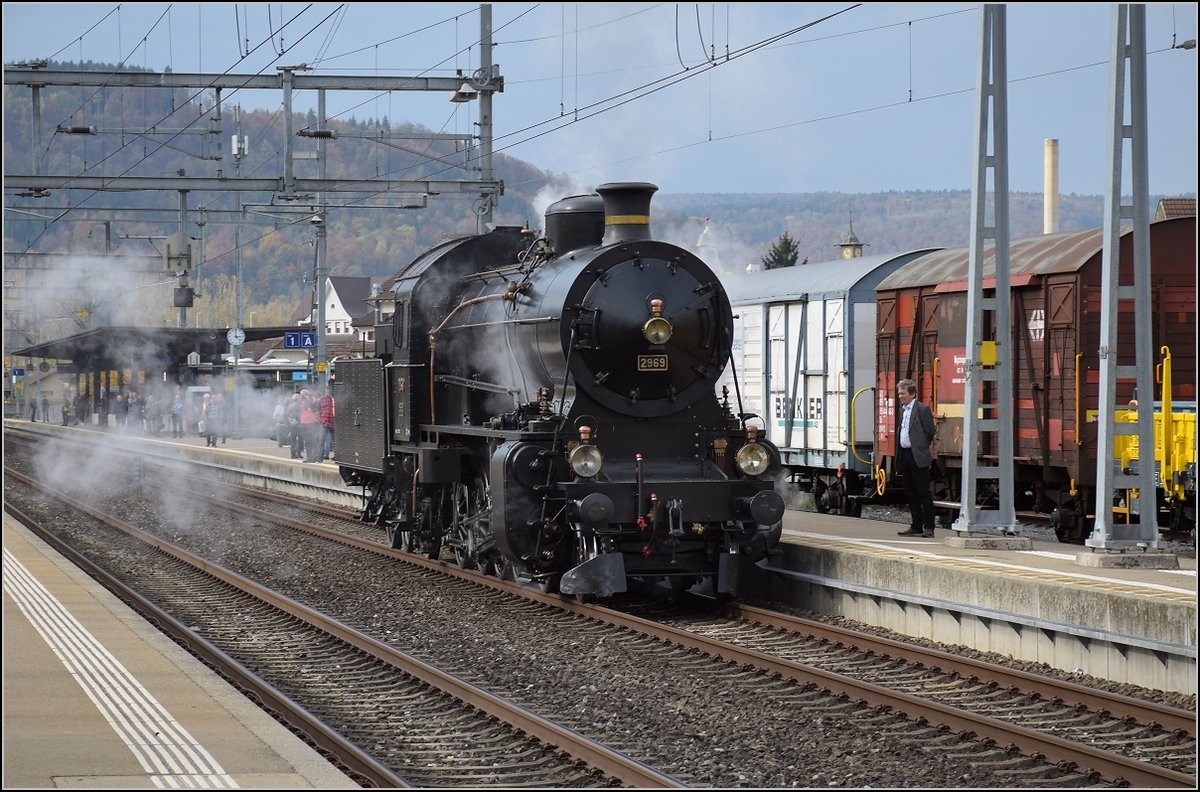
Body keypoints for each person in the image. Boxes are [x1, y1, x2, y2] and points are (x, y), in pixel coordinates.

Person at [895, 378, 938, 538]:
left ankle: (929, 527)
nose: (900, 396)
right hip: (905, 455)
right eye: (899, 393)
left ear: (912, 394)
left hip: (917, 455)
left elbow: (930, 431)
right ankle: (916, 525)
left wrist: (920, 446)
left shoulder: (922, 409)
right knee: (910, 492)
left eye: (903, 393)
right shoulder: (903, 410)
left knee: (923, 492)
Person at [299, 389, 323, 463]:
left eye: (302, 395)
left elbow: (315, 408)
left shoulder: (312, 401)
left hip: (312, 423)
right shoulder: (302, 403)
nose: (301, 396)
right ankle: (310, 457)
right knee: (308, 442)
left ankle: (314, 457)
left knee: (313, 441)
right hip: (305, 423)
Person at [318, 385, 335, 460]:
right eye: (327, 390)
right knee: (321, 439)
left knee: (335, 440)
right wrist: (320, 419)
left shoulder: (334, 399)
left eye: (329, 390)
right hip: (324, 421)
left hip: (333, 421)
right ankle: (320, 455)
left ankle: (337, 456)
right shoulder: (321, 399)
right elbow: (318, 410)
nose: (328, 391)